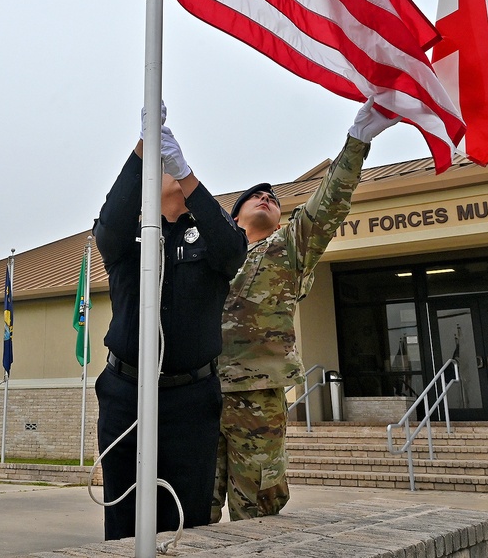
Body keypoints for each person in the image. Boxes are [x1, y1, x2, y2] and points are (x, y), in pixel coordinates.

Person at [211, 99, 400, 523]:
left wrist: (357, 142)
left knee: (256, 507)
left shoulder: (286, 250)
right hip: (198, 391)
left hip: (254, 393)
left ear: (280, 221)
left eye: (272, 198)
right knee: (191, 500)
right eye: (254, 196)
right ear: (234, 216)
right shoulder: (210, 259)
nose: (264, 197)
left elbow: (328, 203)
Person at [93, 105, 247, 540]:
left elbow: (233, 249)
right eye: (163, 168)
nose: (170, 172)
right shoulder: (131, 235)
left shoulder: (210, 238)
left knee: (186, 521)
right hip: (127, 393)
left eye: (171, 164)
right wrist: (144, 146)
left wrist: (188, 172)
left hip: (190, 399)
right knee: (123, 520)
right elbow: (107, 229)